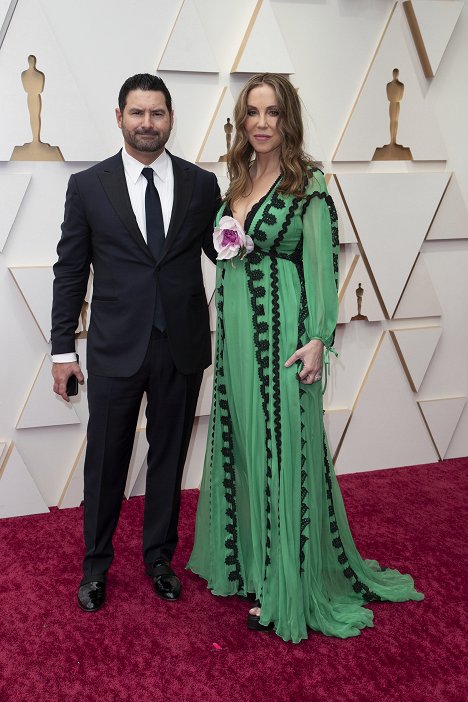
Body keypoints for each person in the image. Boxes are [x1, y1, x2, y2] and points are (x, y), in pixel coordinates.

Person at [187, 73, 423, 643]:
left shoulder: (309, 183)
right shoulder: (239, 178)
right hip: (238, 334)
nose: (261, 122)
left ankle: (287, 582)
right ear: (242, 122)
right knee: (247, 443)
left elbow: (323, 265)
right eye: (252, 113)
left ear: (287, 118)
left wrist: (319, 337)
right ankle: (250, 566)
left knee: (285, 451)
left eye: (272, 112)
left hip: (285, 336)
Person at [51, 73, 220, 612]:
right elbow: (70, 271)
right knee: (105, 459)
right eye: (138, 113)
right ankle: (96, 566)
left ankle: (159, 559)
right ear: (119, 117)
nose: (148, 123)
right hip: (114, 349)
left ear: (171, 119)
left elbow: (226, 257)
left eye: (158, 113)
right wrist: (62, 352)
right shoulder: (88, 186)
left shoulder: (201, 185)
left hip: (182, 347)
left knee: (169, 458)